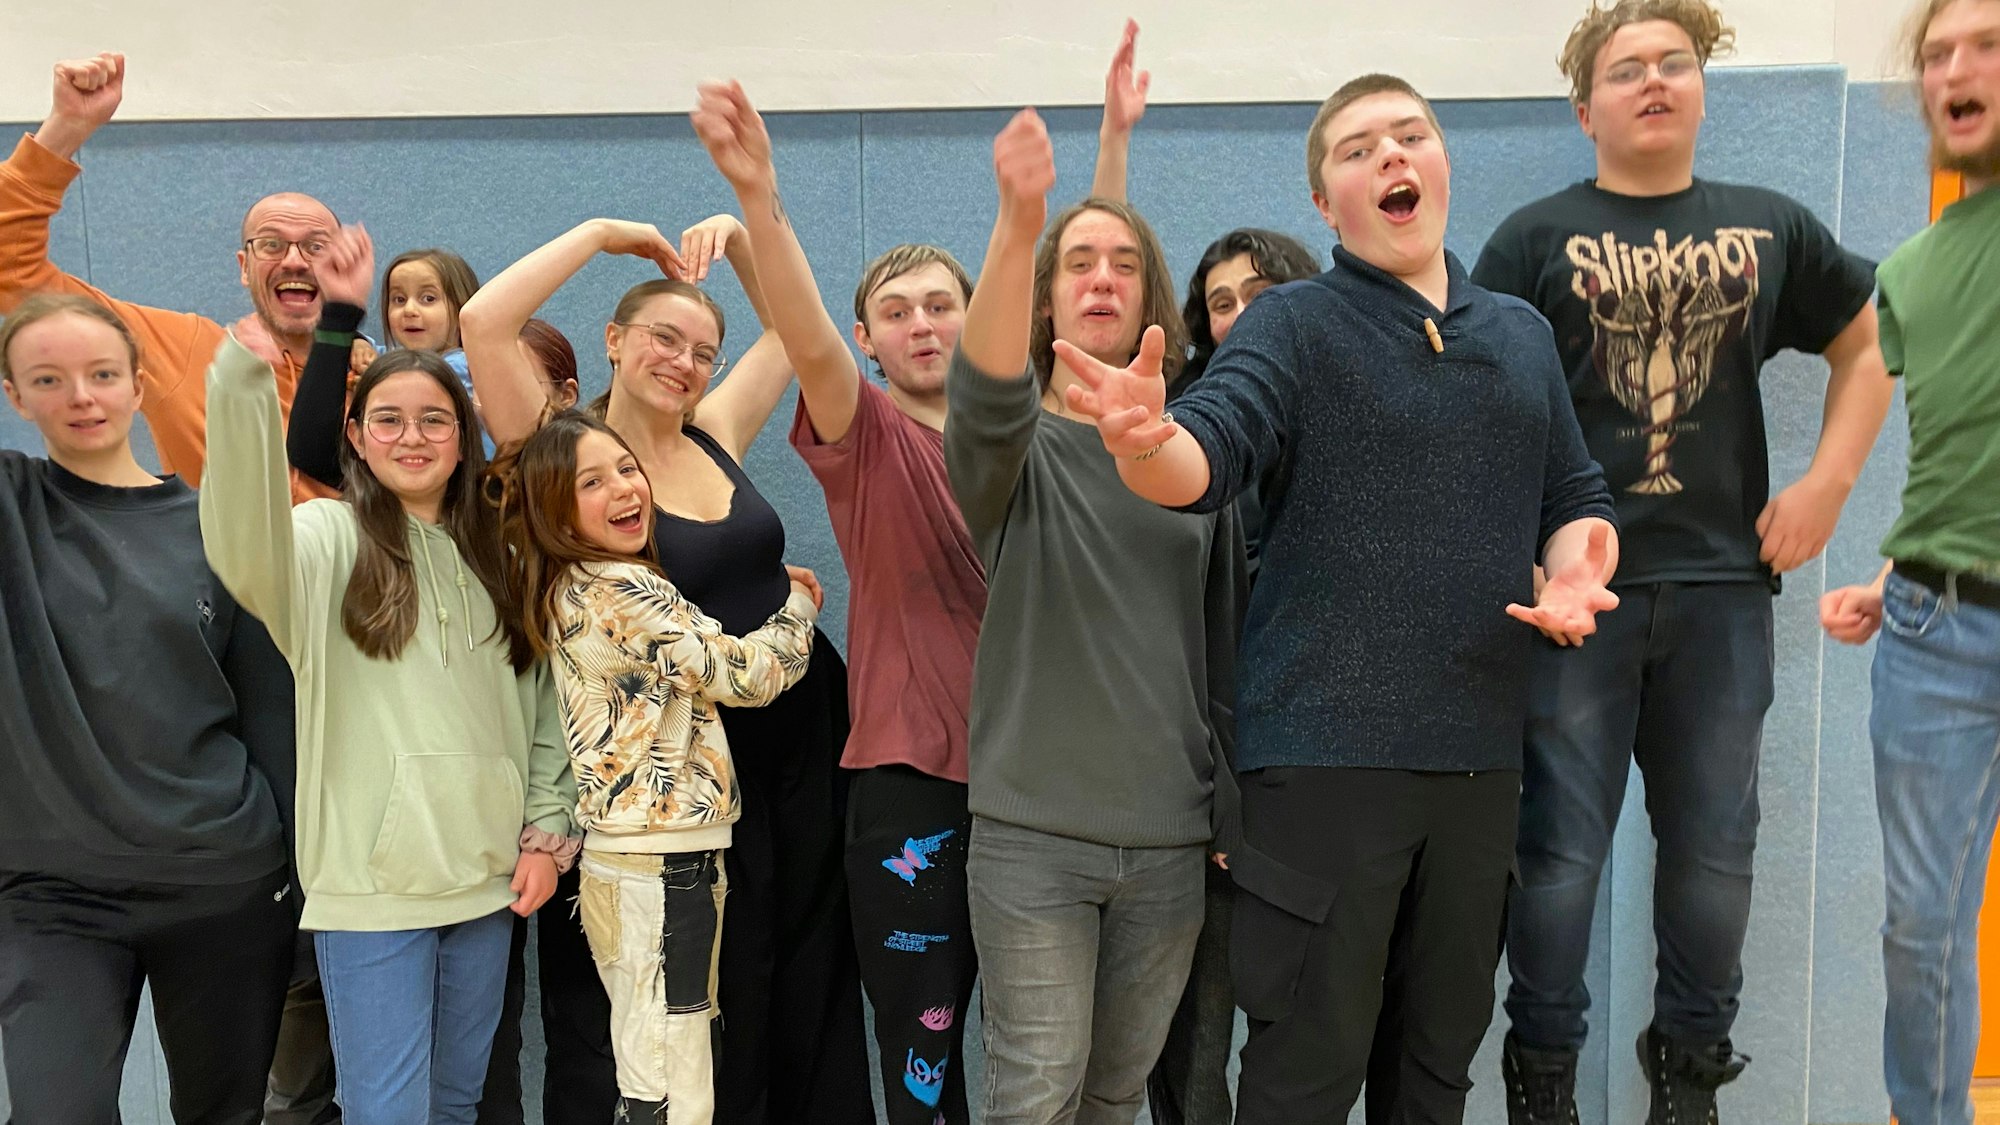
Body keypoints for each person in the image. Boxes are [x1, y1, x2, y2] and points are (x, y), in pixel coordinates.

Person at [1057, 73, 1621, 1125]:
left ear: (1442, 162)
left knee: (1434, 1075)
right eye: (1358, 149)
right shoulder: (1293, 328)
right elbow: (1206, 453)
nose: (1392, 158)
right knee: (1301, 1080)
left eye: (1410, 136)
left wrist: (1582, 563)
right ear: (1326, 204)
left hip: (1479, 763)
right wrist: (1145, 443)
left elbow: (1574, 495)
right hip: (1320, 769)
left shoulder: (1519, 334)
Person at [1469, 3, 1894, 1121]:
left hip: (1718, 593)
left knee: (1712, 858)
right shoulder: (1528, 239)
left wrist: (1824, 487)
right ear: (1584, 106)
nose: (1650, 81)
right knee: (1553, 858)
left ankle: (1688, 1085)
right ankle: (1542, 1083)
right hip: (1576, 600)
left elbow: (1869, 343)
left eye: (1671, 63)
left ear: (1701, 87)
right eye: (1624, 69)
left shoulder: (1770, 226)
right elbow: (1476, 412)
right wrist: (1518, 567)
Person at [461, 214, 874, 1125]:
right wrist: (604, 235)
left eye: (701, 349)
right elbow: (485, 324)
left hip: (795, 743)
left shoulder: (715, 427)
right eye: (662, 337)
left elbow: (792, 333)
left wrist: (748, 239)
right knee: (678, 1010)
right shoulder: (560, 449)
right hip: (675, 769)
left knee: (794, 968)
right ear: (611, 341)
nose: (683, 361)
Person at [199, 228, 578, 1120]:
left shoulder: (503, 548)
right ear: (359, 441)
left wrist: (546, 825)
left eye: (434, 419)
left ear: (463, 438)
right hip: (371, 891)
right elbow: (243, 542)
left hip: (486, 879)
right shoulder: (324, 541)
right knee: (386, 1108)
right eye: (388, 421)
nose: (413, 437)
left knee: (454, 1104)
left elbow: (543, 703)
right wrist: (244, 390)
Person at [941, 105, 1242, 1125]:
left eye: (1121, 262)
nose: (1101, 278)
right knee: (1034, 1095)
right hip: (1032, 836)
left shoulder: (1197, 462)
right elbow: (981, 389)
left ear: (1152, 298)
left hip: (1168, 839)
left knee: (1114, 1096)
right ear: (1044, 301)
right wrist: (1018, 220)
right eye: (1076, 264)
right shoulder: (1011, 452)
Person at [0, 293, 297, 1125]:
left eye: (101, 374)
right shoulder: (12, 508)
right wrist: (48, 155)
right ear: (15, 397)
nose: (82, 396)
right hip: (52, 895)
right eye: (48, 379)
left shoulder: (215, 528)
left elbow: (268, 713)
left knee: (226, 1115)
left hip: (224, 878)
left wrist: (298, 883)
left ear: (139, 383)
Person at [493, 408, 825, 1123]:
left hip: (639, 859)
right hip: (662, 863)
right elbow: (746, 674)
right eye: (591, 480)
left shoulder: (576, 585)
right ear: (554, 506)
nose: (623, 489)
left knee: (655, 1052)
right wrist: (797, 607)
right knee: (672, 1066)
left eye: (624, 468)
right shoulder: (622, 590)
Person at [1819, 3, 2000, 1123]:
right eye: (1935, 54)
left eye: (1983, 44)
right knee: (1919, 926)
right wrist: (1895, 576)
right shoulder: (1912, 273)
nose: (1953, 69)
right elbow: (1952, 449)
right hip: (1933, 633)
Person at [0, 51, 346, 504]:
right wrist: (63, 131)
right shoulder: (189, 351)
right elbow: (12, 268)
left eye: (316, 247)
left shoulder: (376, 380)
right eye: (272, 245)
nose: (295, 261)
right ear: (244, 268)